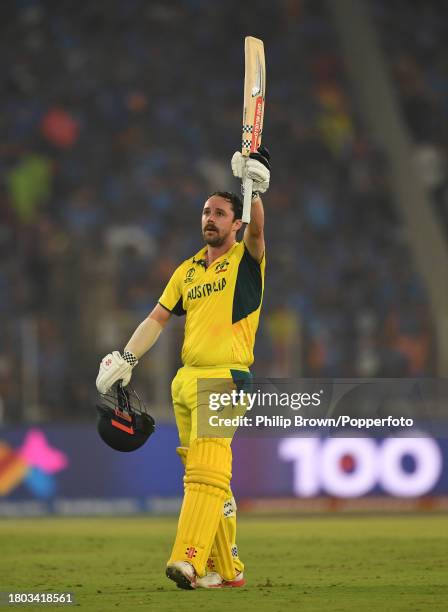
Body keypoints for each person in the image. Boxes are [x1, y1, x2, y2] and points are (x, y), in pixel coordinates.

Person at [96, 147, 270, 589]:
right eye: (206, 212)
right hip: (186, 380)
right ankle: (227, 570)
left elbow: (259, 231)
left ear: (235, 223)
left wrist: (255, 189)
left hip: (226, 377)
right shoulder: (187, 271)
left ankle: (187, 560)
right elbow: (156, 318)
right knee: (206, 479)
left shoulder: (246, 261)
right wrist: (127, 358)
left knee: (207, 475)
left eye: (219, 213)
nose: (209, 218)